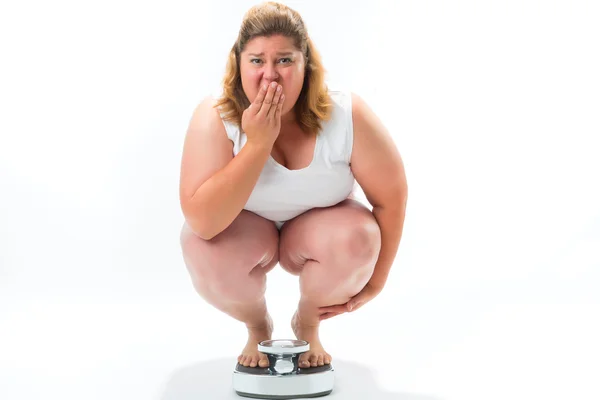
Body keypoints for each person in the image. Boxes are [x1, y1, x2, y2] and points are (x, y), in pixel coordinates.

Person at [179, 1, 407, 370]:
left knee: (360, 236)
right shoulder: (215, 115)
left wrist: (376, 282)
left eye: (284, 60)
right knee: (201, 246)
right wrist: (256, 145)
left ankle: (309, 322)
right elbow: (202, 222)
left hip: (322, 230)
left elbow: (391, 198)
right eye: (256, 61)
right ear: (238, 65)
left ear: (306, 66)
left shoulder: (347, 113)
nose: (270, 76)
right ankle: (257, 325)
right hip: (245, 232)